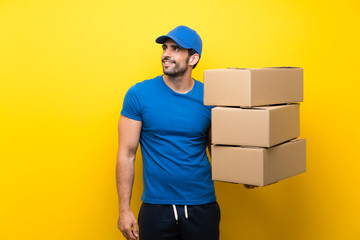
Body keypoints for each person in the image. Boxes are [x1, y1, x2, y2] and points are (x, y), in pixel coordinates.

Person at [116, 25, 220, 240]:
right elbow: (126, 155)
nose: (166, 54)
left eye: (175, 49)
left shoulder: (211, 98)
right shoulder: (138, 94)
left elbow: (218, 149)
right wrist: (124, 210)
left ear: (193, 59)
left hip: (202, 205)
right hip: (156, 208)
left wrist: (247, 173)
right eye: (165, 48)